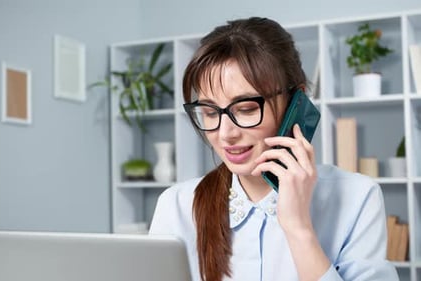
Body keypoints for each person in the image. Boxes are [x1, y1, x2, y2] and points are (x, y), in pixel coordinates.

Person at [148, 17, 399, 281]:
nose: (225, 134)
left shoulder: (357, 198)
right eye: (210, 112)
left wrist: (298, 227)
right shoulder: (176, 206)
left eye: (246, 109)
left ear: (296, 102)